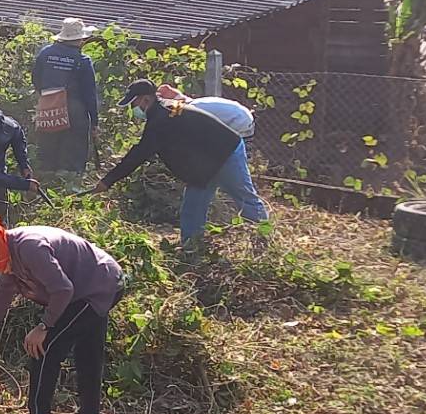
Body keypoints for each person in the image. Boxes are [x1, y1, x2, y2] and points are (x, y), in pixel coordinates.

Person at [0, 205, 123, 414]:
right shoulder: (7, 251)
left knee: (43, 348)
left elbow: (63, 289)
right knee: (88, 356)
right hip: (92, 286)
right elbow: (5, 290)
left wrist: (43, 327)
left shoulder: (29, 247)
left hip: (97, 287)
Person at [83, 79, 243, 245]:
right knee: (192, 208)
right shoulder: (165, 109)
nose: (133, 109)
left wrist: (107, 181)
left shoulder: (161, 119)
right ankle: (190, 246)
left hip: (226, 151)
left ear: (146, 99)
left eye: (134, 104)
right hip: (206, 161)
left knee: (245, 198)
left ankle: (258, 237)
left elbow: (138, 155)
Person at [153, 82, 269, 223]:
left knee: (233, 180)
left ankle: (258, 222)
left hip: (238, 123)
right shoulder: (193, 105)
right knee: (213, 175)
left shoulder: (187, 110)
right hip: (241, 119)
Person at [31, 18, 100, 174]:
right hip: (75, 110)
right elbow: (89, 94)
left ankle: (46, 179)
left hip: (48, 106)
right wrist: (94, 121)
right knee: (73, 154)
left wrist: (47, 96)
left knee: (48, 148)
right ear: (80, 39)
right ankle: (69, 182)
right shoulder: (83, 61)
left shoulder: (45, 53)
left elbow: (36, 79)